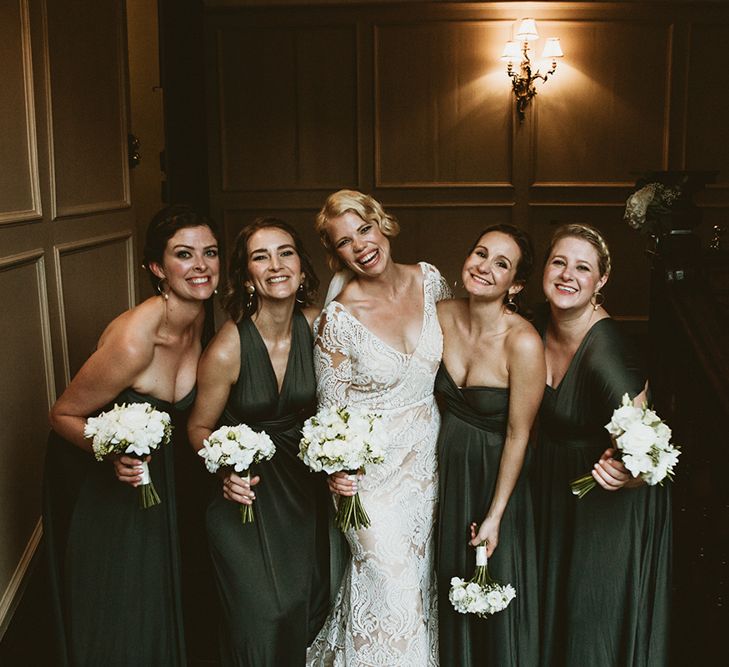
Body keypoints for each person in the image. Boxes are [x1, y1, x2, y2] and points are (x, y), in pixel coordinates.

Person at [43, 205, 220, 666]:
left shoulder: (199, 314)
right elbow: (62, 414)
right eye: (184, 255)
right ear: (158, 269)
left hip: (166, 487)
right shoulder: (134, 341)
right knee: (126, 611)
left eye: (210, 253)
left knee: (167, 599)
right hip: (115, 492)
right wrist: (111, 454)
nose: (201, 266)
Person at [306, 189, 451, 666]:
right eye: (345, 242)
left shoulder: (431, 281)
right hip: (368, 481)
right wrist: (338, 475)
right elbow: (330, 414)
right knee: (391, 583)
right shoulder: (339, 319)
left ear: (383, 224)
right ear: (335, 255)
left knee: (418, 587)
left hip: (427, 467)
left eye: (364, 229)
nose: (361, 246)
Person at [187, 218, 329, 666]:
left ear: (303, 269)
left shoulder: (320, 327)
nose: (275, 265)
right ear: (248, 276)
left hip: (304, 494)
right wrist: (227, 469)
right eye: (260, 257)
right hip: (248, 498)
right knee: (263, 617)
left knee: (307, 609)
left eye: (285, 253)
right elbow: (197, 428)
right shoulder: (228, 348)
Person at [533, 223, 671, 666]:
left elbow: (650, 452)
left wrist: (628, 475)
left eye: (583, 267)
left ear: (601, 281)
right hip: (556, 489)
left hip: (605, 502)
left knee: (592, 619)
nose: (567, 275)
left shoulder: (606, 348)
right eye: (559, 262)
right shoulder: (535, 323)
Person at [436, 225, 545, 666]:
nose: (484, 266)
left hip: (495, 480)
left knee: (491, 593)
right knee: (447, 587)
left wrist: (496, 514)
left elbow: (520, 434)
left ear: (515, 285)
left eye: (501, 263)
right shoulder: (439, 315)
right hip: (442, 472)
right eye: (480, 253)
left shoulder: (522, 341)